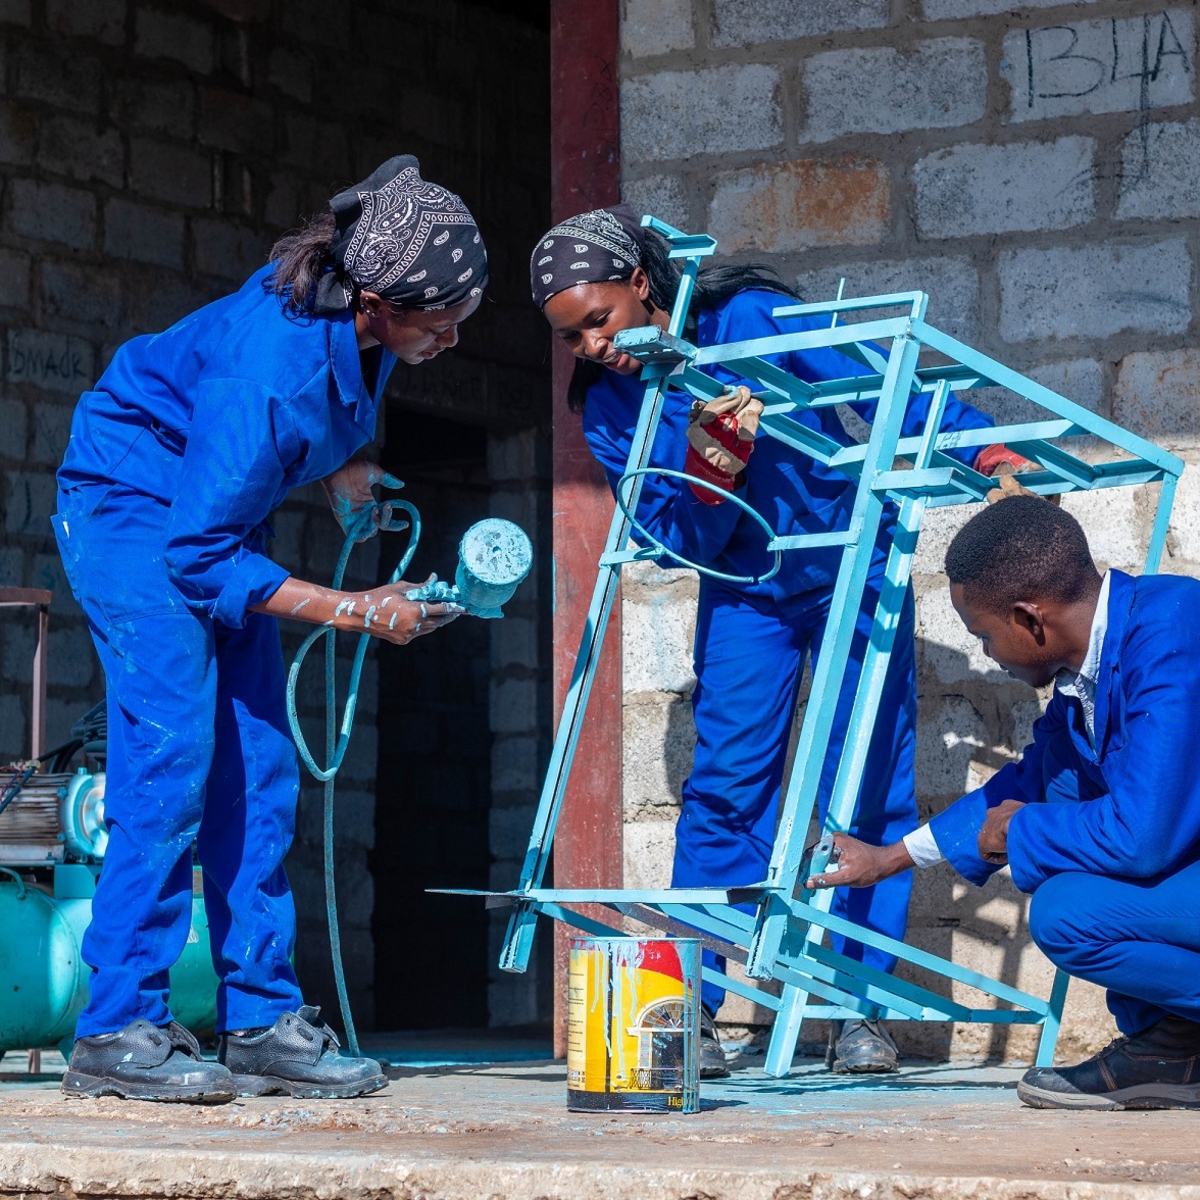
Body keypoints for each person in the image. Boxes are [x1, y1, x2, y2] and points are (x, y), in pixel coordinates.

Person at [530, 205, 1021, 1076]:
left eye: (598, 322)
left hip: (849, 568)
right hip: (746, 593)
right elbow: (674, 536)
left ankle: (852, 1010)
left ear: (640, 284)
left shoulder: (749, 319)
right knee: (725, 785)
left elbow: (879, 387)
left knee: (861, 781)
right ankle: (695, 1010)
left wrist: (980, 451)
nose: (593, 348)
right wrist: (710, 471)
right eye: (572, 339)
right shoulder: (608, 404)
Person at [53, 156, 486, 1103]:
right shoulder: (269, 374)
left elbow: (281, 422)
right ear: (374, 299)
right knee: (172, 753)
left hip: (207, 516)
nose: (452, 338)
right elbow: (198, 555)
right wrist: (359, 611)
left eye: (464, 318)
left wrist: (340, 467)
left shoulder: (347, 303)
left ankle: (260, 1020)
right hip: (135, 510)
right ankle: (116, 1025)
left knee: (258, 762)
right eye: (438, 322)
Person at [809, 495, 1200, 1110]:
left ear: (1029, 619)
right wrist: (887, 859)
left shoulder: (1173, 631)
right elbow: (1025, 786)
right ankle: (1176, 1048)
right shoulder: (1084, 679)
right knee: (1071, 869)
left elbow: (1141, 835)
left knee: (1068, 910)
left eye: (984, 635)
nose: (988, 655)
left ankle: (1175, 1045)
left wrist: (1020, 835)